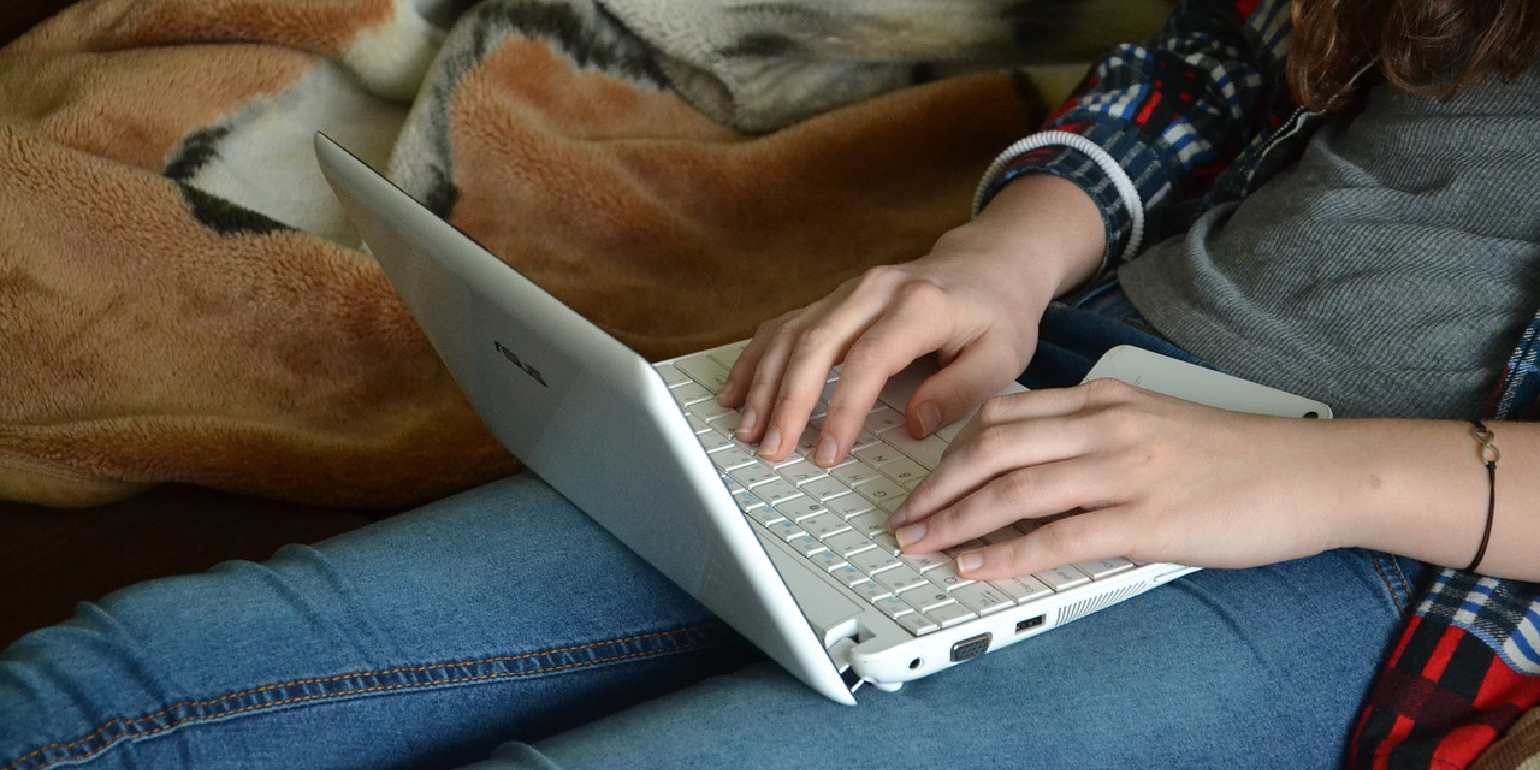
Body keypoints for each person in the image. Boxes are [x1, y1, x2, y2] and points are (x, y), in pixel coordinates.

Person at [3, 0, 1538, 768]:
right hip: (1061, 361)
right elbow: (1236, 56)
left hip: (1385, 549)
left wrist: (1305, 479)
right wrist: (998, 257)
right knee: (141, 674)